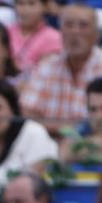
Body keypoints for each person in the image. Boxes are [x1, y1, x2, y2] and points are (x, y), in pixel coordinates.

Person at [19, 1, 102, 134]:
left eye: (83, 25)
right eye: (69, 25)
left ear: (96, 35)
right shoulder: (47, 66)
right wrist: (69, 130)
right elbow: (26, 112)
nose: (75, 31)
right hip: (48, 146)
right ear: (60, 31)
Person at [7, 0, 61, 75]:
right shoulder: (7, 32)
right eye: (20, 3)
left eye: (31, 3)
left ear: (44, 7)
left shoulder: (54, 38)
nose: (25, 9)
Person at [62, 76, 102, 163]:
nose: (99, 115)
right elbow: (63, 153)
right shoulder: (84, 127)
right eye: (93, 109)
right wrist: (94, 142)